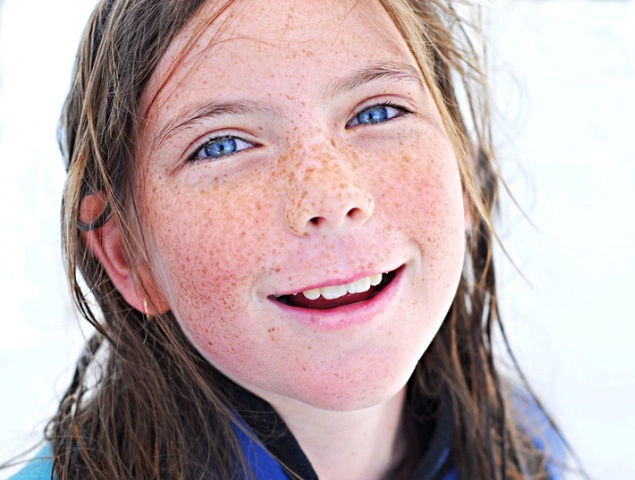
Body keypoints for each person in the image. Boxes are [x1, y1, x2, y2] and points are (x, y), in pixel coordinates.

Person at [6, 0, 578, 478]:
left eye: (379, 111)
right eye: (223, 146)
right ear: (129, 258)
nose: (329, 196)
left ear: (463, 173)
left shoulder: (526, 451)